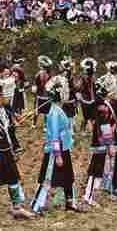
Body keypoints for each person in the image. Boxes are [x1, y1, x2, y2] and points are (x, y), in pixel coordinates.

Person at [0, 82, 34, 225]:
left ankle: (17, 207)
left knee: (13, 179)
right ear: (0, 96)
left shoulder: (5, 111)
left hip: (7, 151)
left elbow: (8, 130)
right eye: (7, 96)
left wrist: (16, 123)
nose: (9, 99)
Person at [30, 75, 82, 214]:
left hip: (64, 148)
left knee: (68, 177)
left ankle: (70, 203)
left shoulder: (59, 109)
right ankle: (36, 206)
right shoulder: (53, 112)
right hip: (55, 151)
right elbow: (54, 136)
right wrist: (58, 155)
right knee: (47, 179)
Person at [33, 55, 54, 127]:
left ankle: (41, 124)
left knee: (44, 111)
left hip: (44, 96)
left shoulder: (49, 75)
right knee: (39, 111)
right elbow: (36, 85)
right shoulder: (40, 74)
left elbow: (52, 84)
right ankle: (36, 123)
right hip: (42, 95)